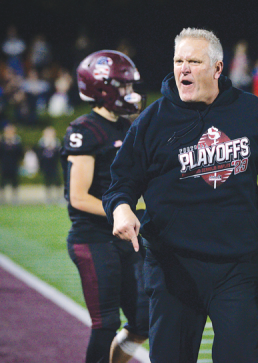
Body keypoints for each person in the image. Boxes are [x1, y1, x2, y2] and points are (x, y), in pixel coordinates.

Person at [103, 28, 258, 363]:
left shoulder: (251, 112)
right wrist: (121, 209)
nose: (183, 69)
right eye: (178, 61)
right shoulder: (152, 122)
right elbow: (121, 181)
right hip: (172, 269)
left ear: (217, 68)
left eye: (194, 61)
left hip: (236, 267)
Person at [60, 50, 149, 363]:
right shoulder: (84, 131)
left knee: (143, 323)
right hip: (94, 238)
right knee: (106, 324)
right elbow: (78, 197)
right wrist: (122, 212)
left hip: (125, 237)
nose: (129, 92)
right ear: (103, 88)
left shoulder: (126, 127)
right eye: (123, 86)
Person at [35, 126, 62, 203]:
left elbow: (59, 155)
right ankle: (48, 198)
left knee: (57, 182)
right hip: (46, 166)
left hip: (54, 165)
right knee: (47, 182)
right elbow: (39, 155)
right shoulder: (41, 143)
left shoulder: (57, 142)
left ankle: (59, 197)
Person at [0, 123, 23, 204]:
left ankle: (15, 198)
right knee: (3, 182)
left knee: (14, 182)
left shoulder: (17, 141)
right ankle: (2, 198)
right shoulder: (2, 141)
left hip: (14, 164)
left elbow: (20, 153)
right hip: (4, 164)